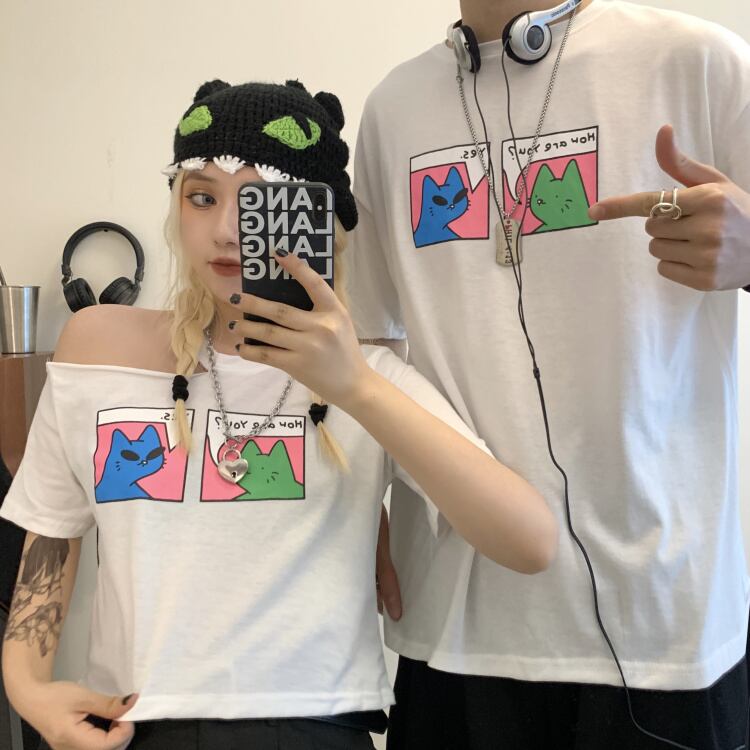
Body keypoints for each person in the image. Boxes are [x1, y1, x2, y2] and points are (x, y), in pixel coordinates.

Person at [0, 79, 557, 750]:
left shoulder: (367, 379)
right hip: (131, 725)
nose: (226, 229)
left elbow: (529, 541)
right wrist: (28, 688)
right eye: (201, 196)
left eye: (262, 201)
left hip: (314, 726)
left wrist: (357, 390)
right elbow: (51, 534)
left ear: (320, 222)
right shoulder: (99, 347)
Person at [347, 0, 750, 748]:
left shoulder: (699, 61)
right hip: (454, 622)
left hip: (662, 627)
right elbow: (369, 341)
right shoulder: (393, 107)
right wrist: (355, 506)